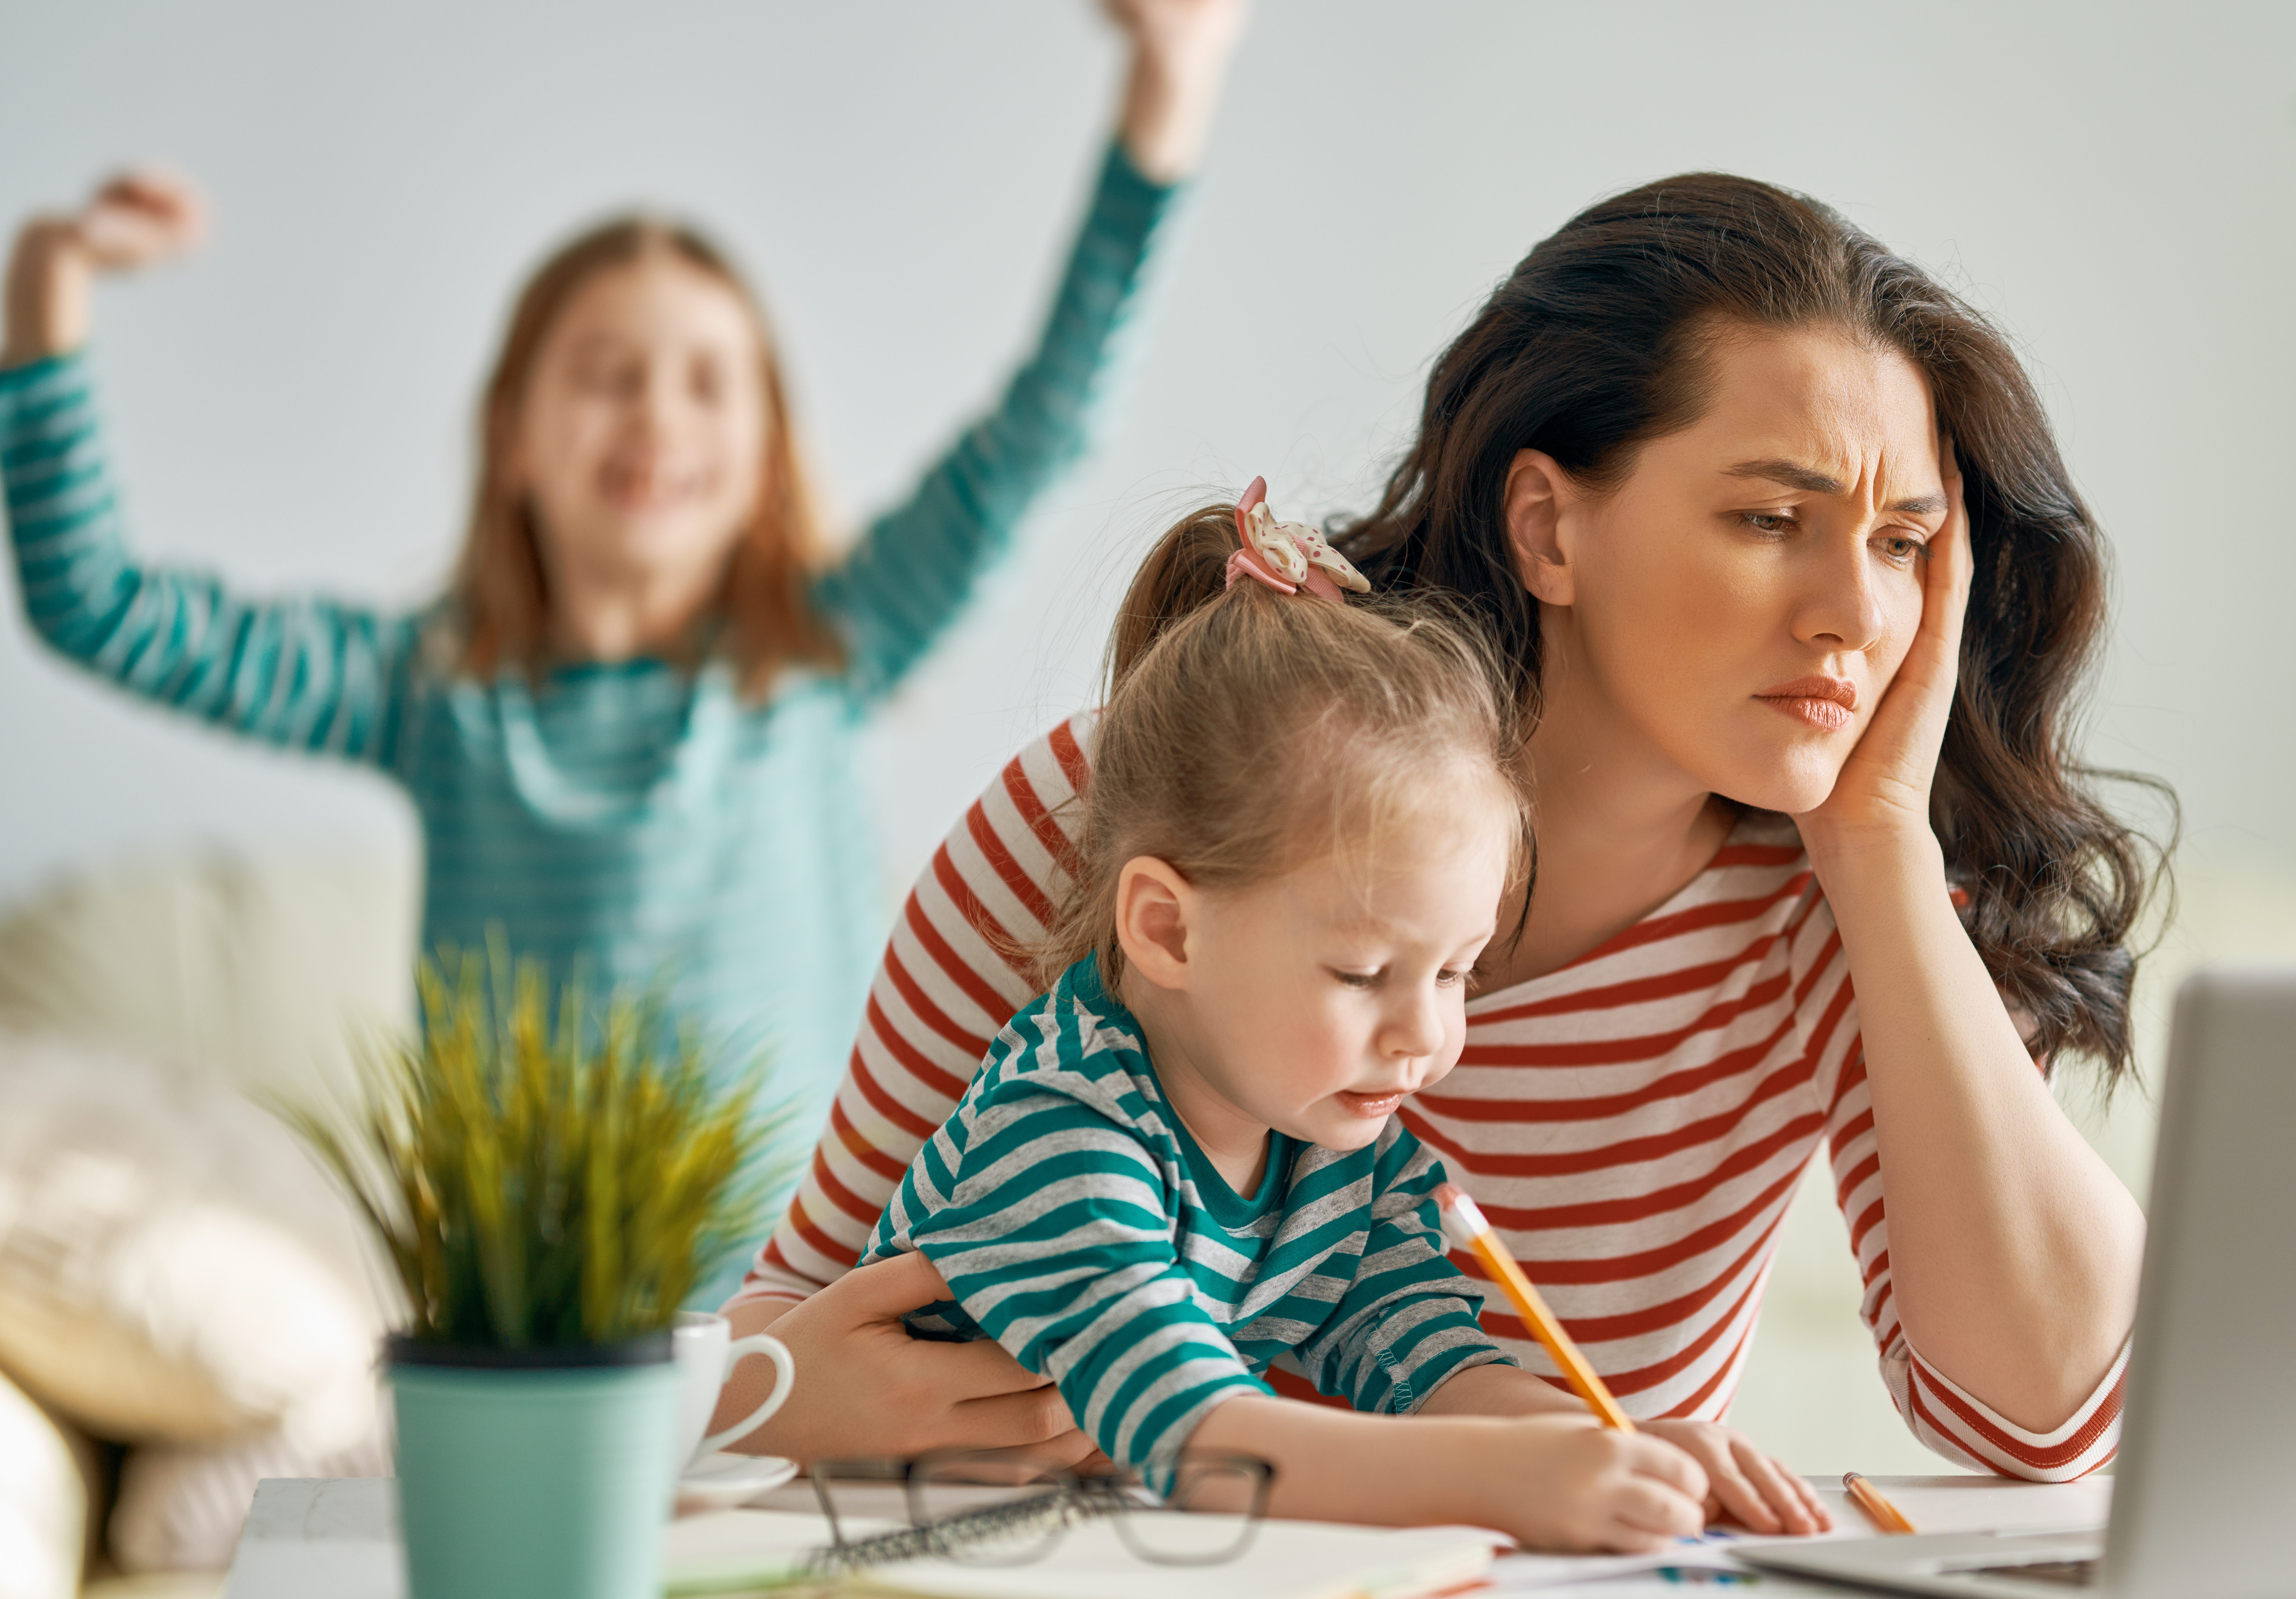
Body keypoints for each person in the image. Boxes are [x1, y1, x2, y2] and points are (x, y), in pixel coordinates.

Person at [726, 173, 2156, 1514]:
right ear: (1547, 527)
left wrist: (1883, 844)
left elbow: (2043, 1425)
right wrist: (781, 1402)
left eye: (1903, 544)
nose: (1852, 610)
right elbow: (786, 1318)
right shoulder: (1116, 817)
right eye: (1770, 517)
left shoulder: (1834, 910)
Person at [0, 2, 1250, 1228]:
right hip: (539, 1327)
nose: (658, 413)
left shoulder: (820, 654)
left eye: (708, 383)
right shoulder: (429, 693)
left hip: (806, 1313)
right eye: (607, 375)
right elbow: (96, 606)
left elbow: (1045, 424)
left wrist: (1166, 93)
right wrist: (46, 287)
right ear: (514, 442)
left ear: (766, 458)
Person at [859, 488, 1805, 1549]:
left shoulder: (1328, 1140)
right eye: (1363, 973)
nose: (1425, 1037)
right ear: (1167, 930)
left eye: (1456, 972)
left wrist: (1624, 1444)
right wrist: (1505, 1479)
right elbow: (1195, 1438)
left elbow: (1437, 1370)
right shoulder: (1057, 1132)